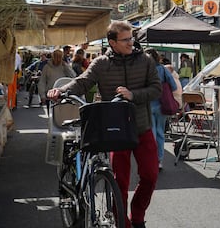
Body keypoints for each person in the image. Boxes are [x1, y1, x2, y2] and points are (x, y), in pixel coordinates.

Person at [47, 21, 161, 228]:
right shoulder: (101, 63)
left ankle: (137, 215)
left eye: (132, 38)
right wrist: (61, 91)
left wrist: (132, 95)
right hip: (116, 130)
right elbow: (83, 82)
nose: (131, 43)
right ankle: (122, 223)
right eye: (126, 39)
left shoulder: (144, 61)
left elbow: (156, 90)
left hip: (142, 128)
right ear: (112, 42)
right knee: (120, 182)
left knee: (151, 175)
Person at [145, 47, 177, 171]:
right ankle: (159, 160)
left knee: (151, 133)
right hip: (162, 104)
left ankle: (151, 159)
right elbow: (173, 86)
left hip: (148, 104)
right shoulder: (163, 70)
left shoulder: (144, 70)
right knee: (160, 133)